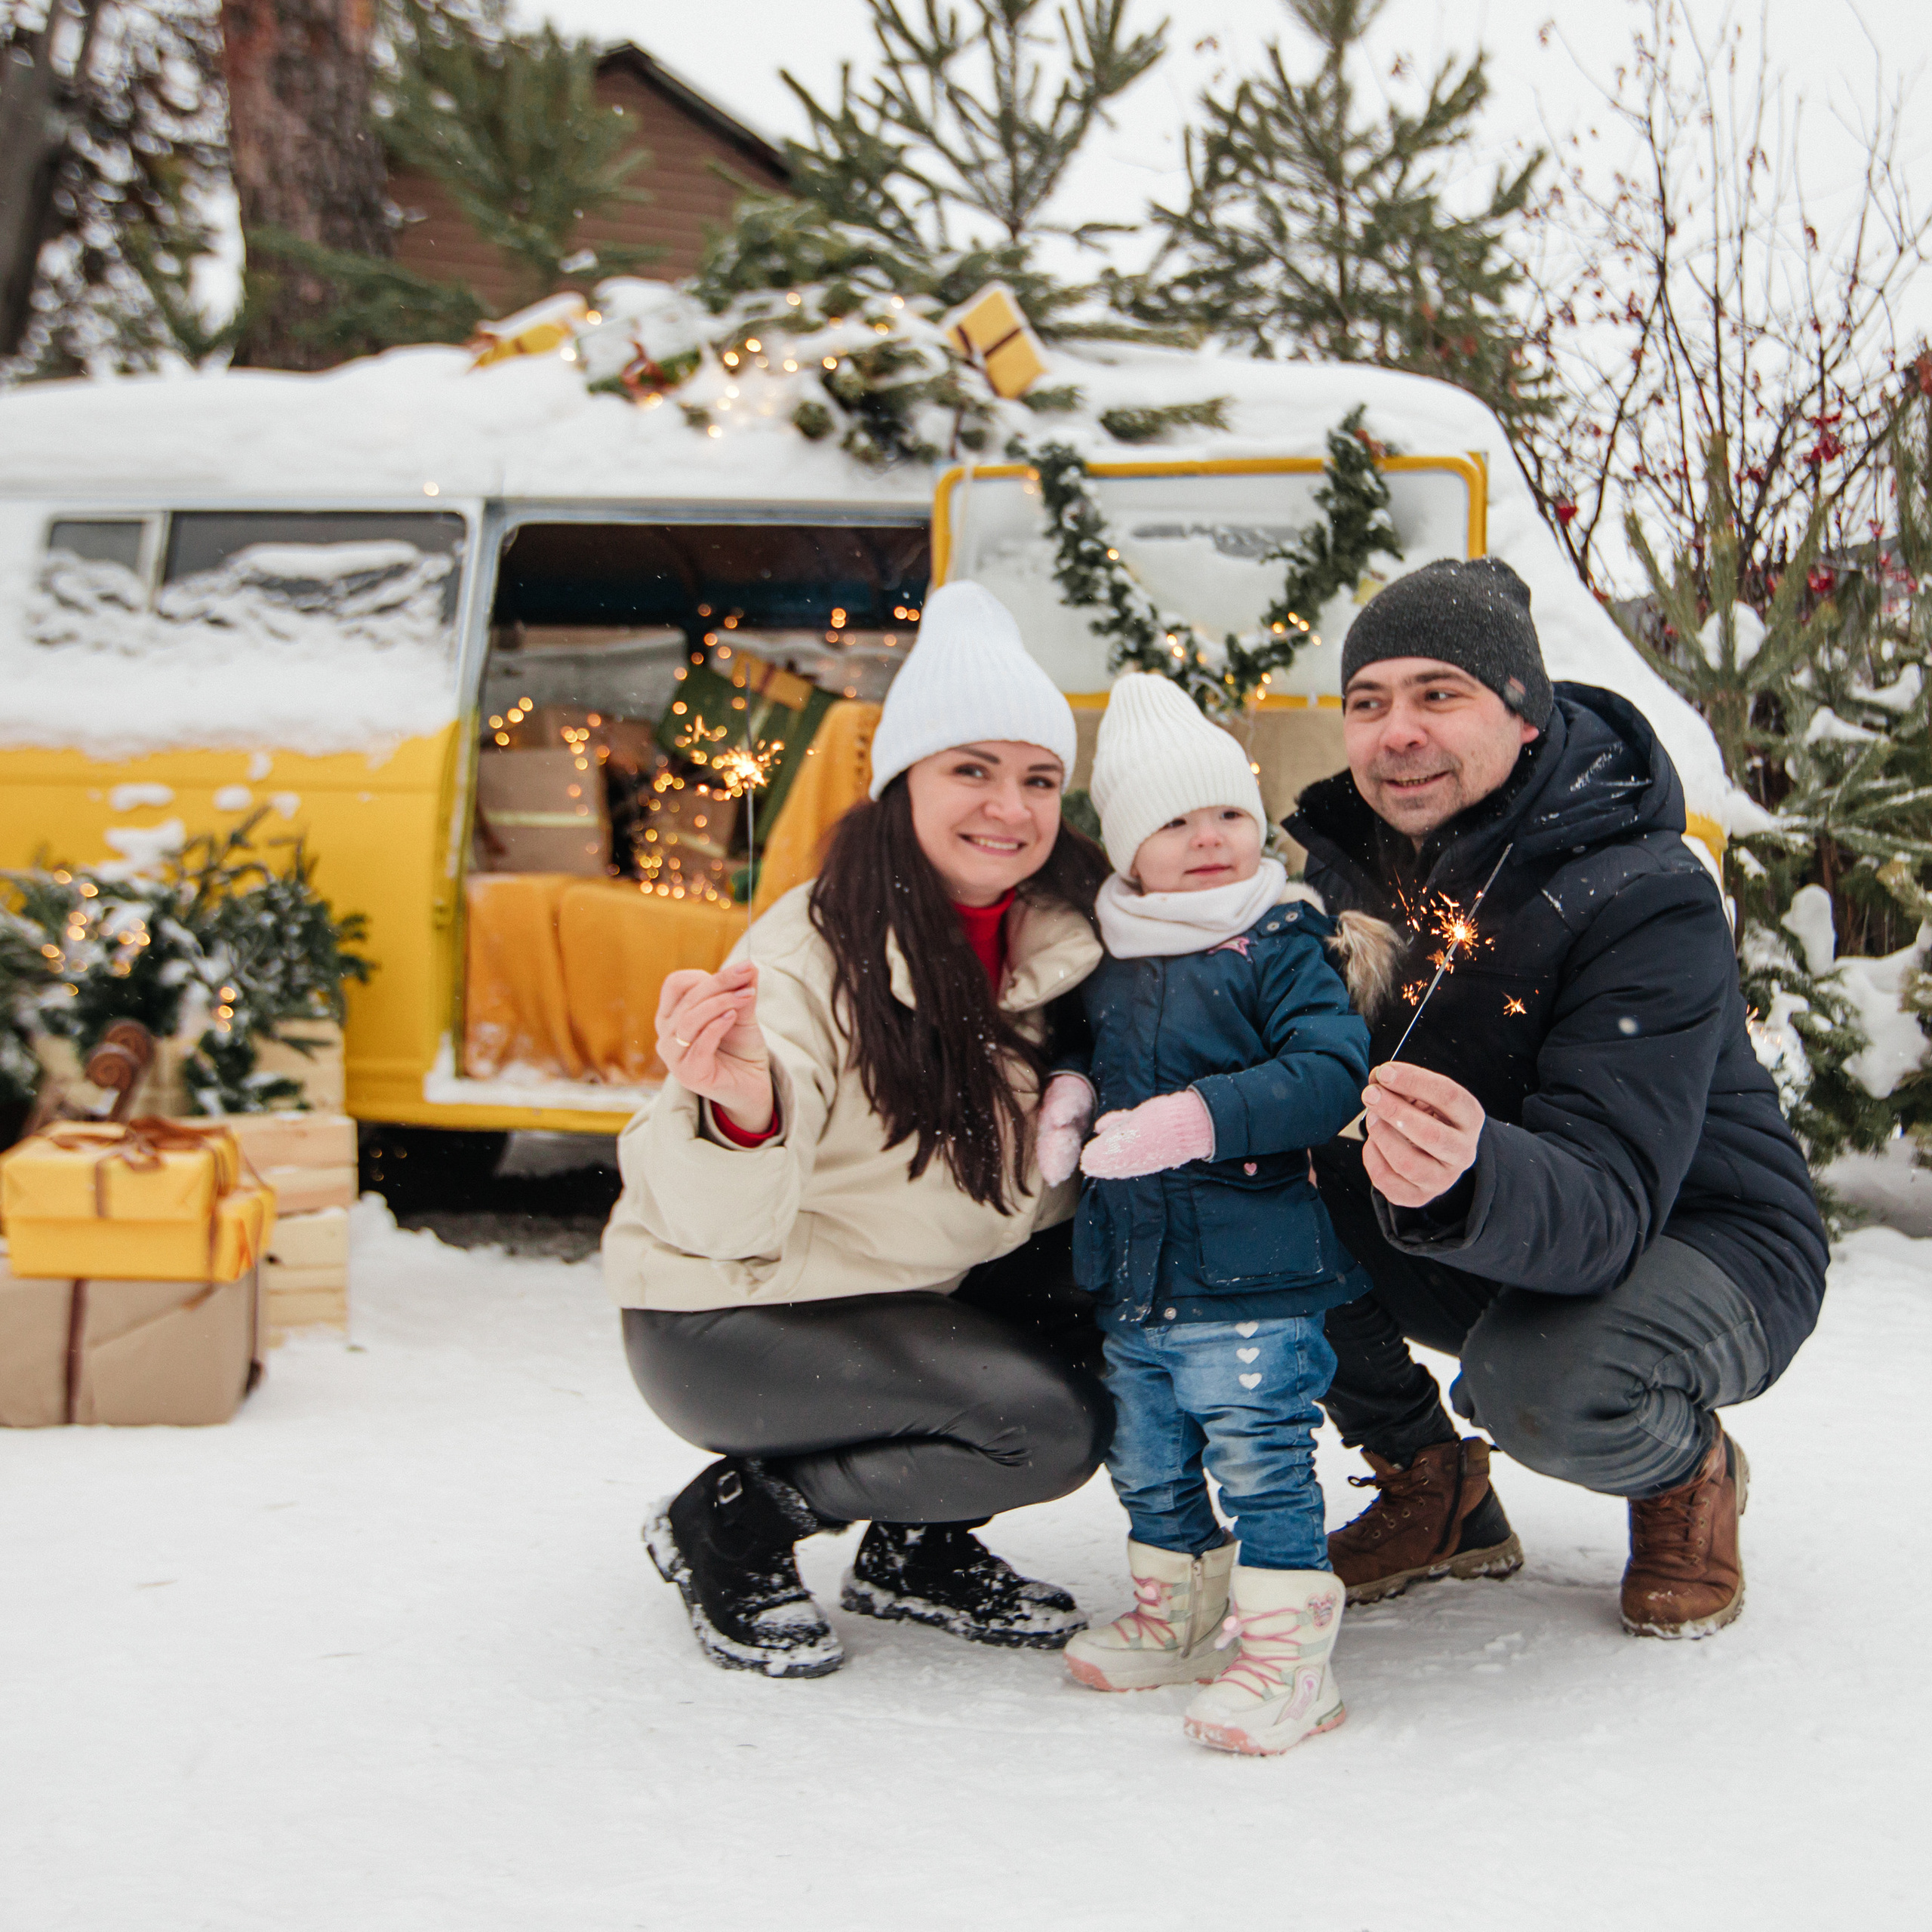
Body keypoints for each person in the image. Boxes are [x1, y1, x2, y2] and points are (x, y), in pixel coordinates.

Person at [1283, 556, 1829, 1639]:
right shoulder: (1352, 871)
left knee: (1544, 1385)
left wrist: (1472, 1171)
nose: (1397, 732)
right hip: (1483, 1219)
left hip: (1704, 1238)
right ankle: (1435, 1486)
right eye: (1369, 702)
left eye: (1439, 694)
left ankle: (1687, 1468)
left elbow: (1614, 1199)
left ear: (1525, 717)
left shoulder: (1644, 890)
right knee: (1243, 1207)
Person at [603, 581, 1113, 1679]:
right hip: (731, 1317)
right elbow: (703, 1220)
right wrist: (742, 1109)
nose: (1008, 807)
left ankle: (916, 1553)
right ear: (903, 785)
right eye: (969, 770)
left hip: (901, 1299)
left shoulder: (1052, 944)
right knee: (1048, 1425)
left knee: (1120, 1316)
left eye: (1037, 778)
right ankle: (732, 1519)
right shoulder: (810, 956)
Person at [1035, 675, 1395, 1756]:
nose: (1209, 840)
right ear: (1128, 850)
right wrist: (1069, 1098)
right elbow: (1091, 1055)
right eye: (1175, 822)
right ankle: (1181, 1616)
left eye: (1229, 814)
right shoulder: (1110, 950)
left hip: (1251, 1266)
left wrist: (1196, 1119)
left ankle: (1290, 1658)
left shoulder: (1275, 937)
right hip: (1136, 1271)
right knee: (1145, 1455)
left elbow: (1331, 1072)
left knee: (1258, 1452)